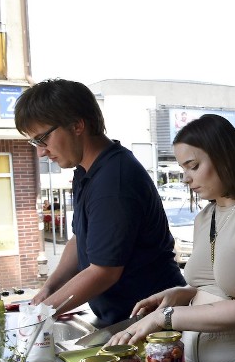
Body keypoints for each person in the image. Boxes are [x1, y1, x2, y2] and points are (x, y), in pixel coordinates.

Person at [108, 114, 235, 362]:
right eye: (183, 169)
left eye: (192, 166)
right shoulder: (206, 216)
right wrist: (183, 294)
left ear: (225, 157)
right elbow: (216, 286)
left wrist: (164, 318)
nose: (185, 178)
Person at [16, 79, 185, 325]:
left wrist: (41, 314)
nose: (41, 151)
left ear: (77, 125)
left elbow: (104, 272)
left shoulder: (113, 181)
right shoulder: (86, 171)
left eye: (43, 138)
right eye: (35, 142)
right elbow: (79, 238)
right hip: (124, 319)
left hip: (153, 321)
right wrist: (50, 287)